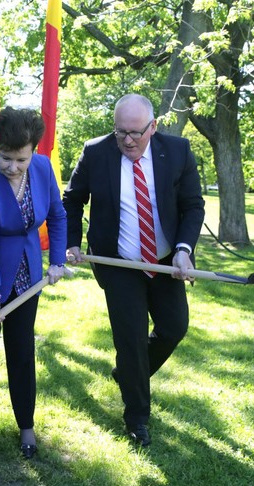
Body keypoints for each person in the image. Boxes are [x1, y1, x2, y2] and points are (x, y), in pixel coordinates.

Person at [63, 94, 205, 447]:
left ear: (153, 128)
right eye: (120, 132)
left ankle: (128, 374)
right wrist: (73, 242)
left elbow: (193, 206)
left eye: (136, 133)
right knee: (131, 340)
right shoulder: (96, 152)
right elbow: (72, 198)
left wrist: (184, 251)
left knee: (174, 328)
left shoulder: (177, 151)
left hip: (165, 260)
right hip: (119, 261)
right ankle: (137, 417)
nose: (127, 140)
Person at [0, 107, 72, 459]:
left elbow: (57, 215)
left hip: (26, 275)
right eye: (6, 158)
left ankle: (26, 427)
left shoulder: (43, 167)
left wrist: (58, 261)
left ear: (33, 149)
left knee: (21, 352)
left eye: (21, 159)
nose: (13, 167)